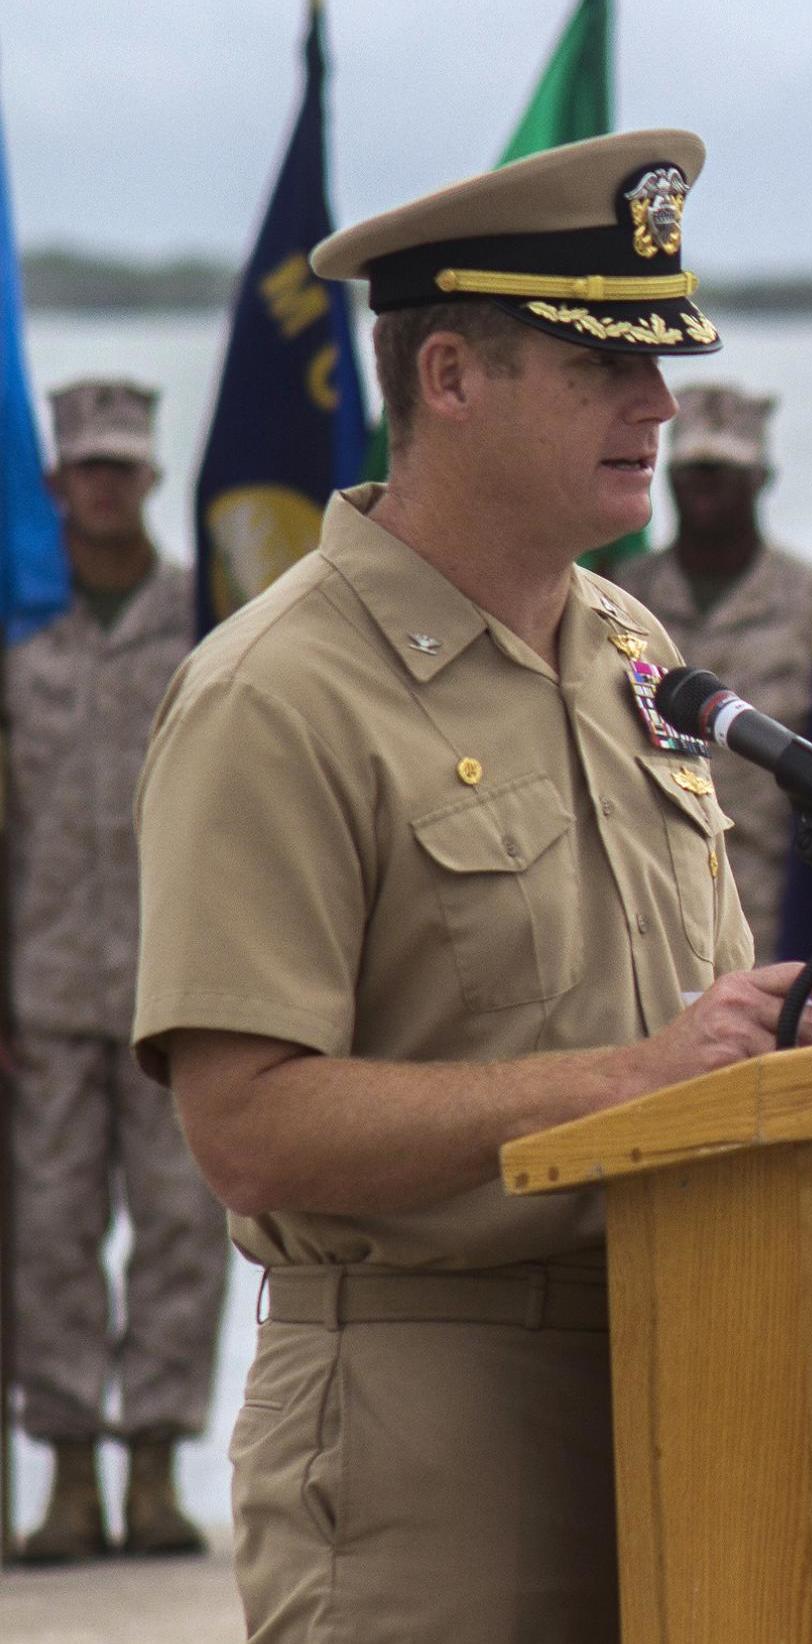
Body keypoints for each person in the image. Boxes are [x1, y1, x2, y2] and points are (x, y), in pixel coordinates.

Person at [132, 132, 812, 1640]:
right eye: (607, 363)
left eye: (662, 363)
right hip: (425, 1433)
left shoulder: (633, 651)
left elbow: (686, 1037)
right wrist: (638, 1079)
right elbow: (248, 1128)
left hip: (692, 1391)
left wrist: (779, 1056)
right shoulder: (277, 694)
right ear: (450, 376)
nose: (659, 403)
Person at [7, 379, 219, 1563]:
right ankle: (69, 1476)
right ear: (54, 484)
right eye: (85, 467)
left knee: (181, 1228)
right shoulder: (21, 631)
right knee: (50, 1233)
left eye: (121, 467)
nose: (102, 485)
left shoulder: (206, 623)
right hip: (43, 993)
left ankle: (153, 1468)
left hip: (175, 986)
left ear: (150, 478)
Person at [614, 384, 812, 957]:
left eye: (723, 470)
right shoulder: (617, 597)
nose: (703, 485)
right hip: (638, 913)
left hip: (771, 909)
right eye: (690, 470)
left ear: (763, 480)